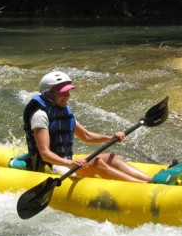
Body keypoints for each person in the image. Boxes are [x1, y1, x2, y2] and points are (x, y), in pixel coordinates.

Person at [23, 71, 152, 183]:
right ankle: (143, 185)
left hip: (66, 162)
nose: (67, 96)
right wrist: (69, 163)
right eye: (62, 93)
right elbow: (45, 154)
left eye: (68, 92)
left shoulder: (62, 111)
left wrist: (111, 138)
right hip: (53, 166)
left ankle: (151, 180)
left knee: (111, 157)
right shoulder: (40, 115)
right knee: (97, 163)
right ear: (48, 94)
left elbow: (86, 136)